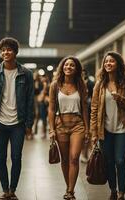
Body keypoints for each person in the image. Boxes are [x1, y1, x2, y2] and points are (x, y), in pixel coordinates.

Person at [0, 37, 34, 200]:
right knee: (0, 158)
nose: (6, 52)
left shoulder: (26, 73)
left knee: (16, 157)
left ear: (15, 52)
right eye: (3, 50)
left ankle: (13, 190)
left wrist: (29, 124)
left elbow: (29, 100)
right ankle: (5, 190)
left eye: (9, 49)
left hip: (18, 124)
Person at [90, 51, 125, 200]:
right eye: (106, 62)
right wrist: (93, 133)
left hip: (122, 129)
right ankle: (112, 189)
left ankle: (121, 193)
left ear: (118, 64)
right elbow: (94, 108)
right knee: (109, 161)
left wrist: (121, 99)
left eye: (111, 61)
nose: (108, 64)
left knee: (119, 160)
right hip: (105, 130)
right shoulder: (100, 84)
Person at [48, 56, 89, 200]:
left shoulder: (81, 85)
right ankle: (68, 187)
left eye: (72, 65)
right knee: (65, 159)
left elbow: (85, 108)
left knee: (74, 158)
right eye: (66, 65)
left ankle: (71, 191)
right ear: (62, 67)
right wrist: (52, 129)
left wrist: (87, 129)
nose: (69, 67)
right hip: (60, 125)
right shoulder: (55, 85)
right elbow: (52, 109)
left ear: (76, 68)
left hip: (78, 124)